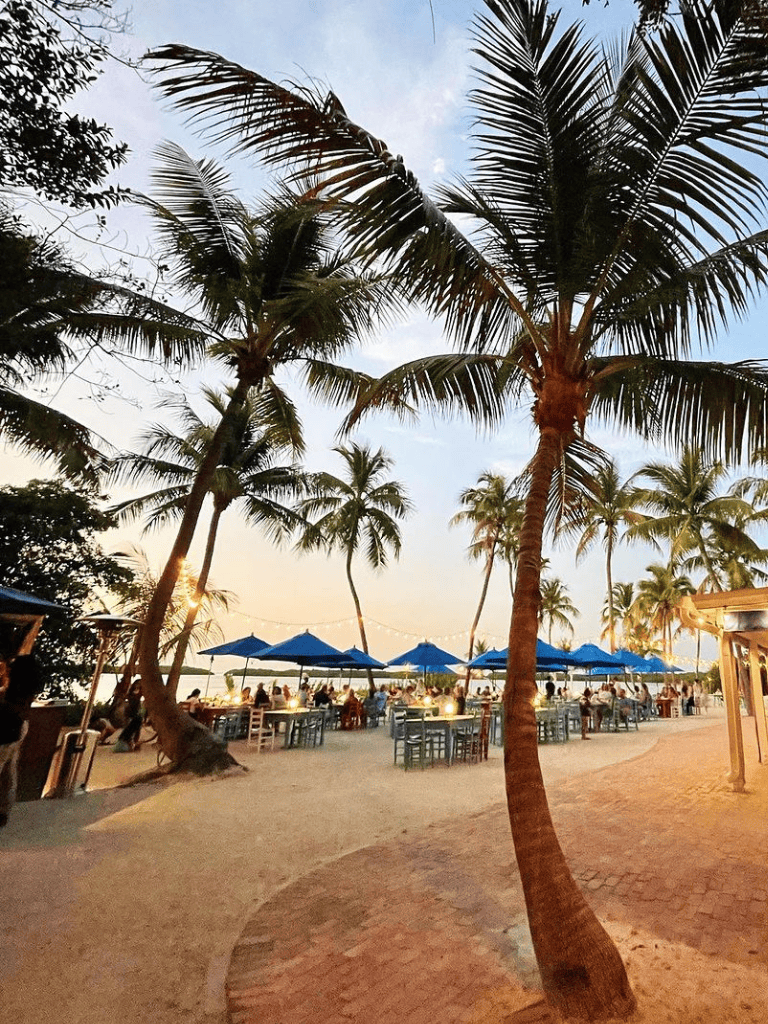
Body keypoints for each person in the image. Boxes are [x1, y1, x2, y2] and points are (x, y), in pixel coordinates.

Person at [0, 655, 45, 826]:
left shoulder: (11, 692)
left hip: (7, 727)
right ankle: (3, 811)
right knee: (9, 770)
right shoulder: (28, 691)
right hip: (18, 727)